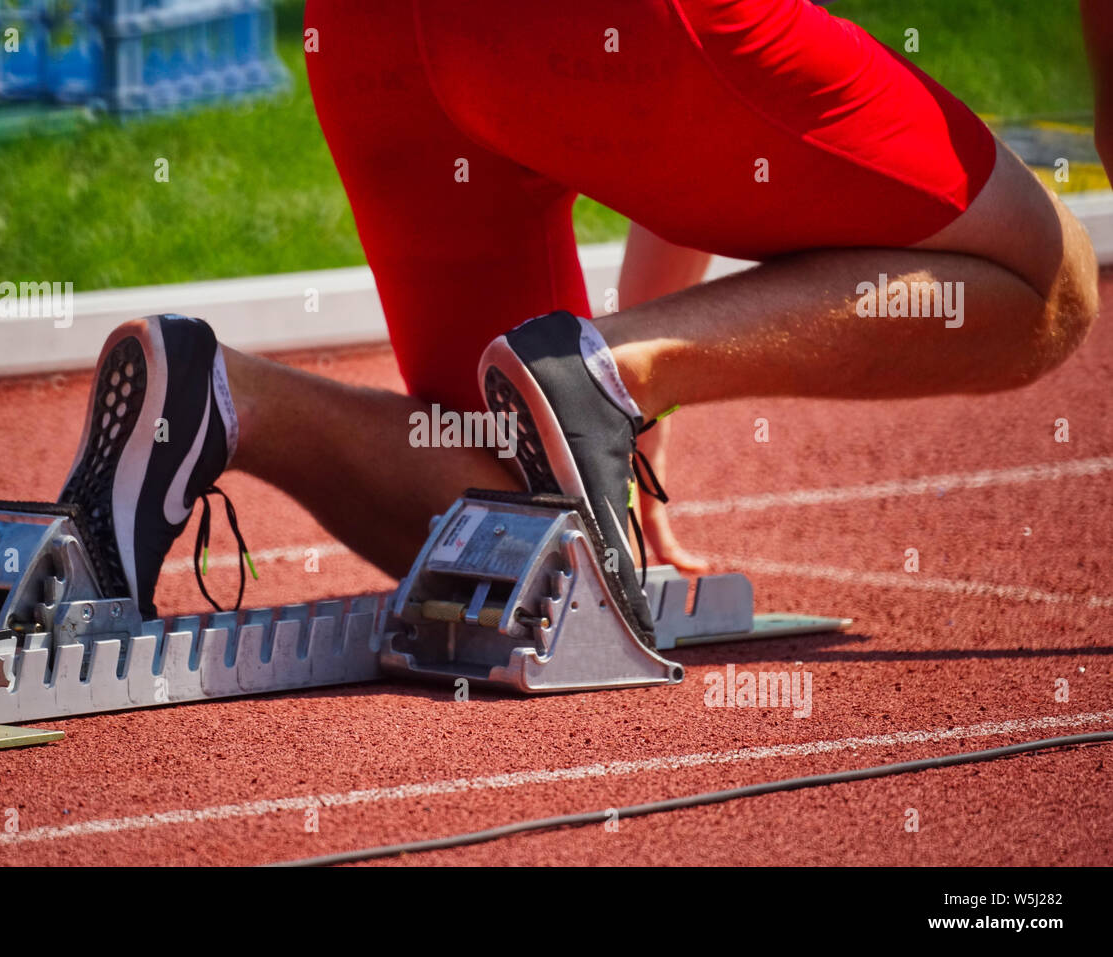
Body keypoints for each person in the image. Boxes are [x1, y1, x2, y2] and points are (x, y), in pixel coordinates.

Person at [59, 0, 1098, 647]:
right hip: (622, 28)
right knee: (1044, 282)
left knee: (527, 518)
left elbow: (713, 147)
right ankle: (604, 377)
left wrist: (632, 424)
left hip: (371, 36)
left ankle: (225, 398)